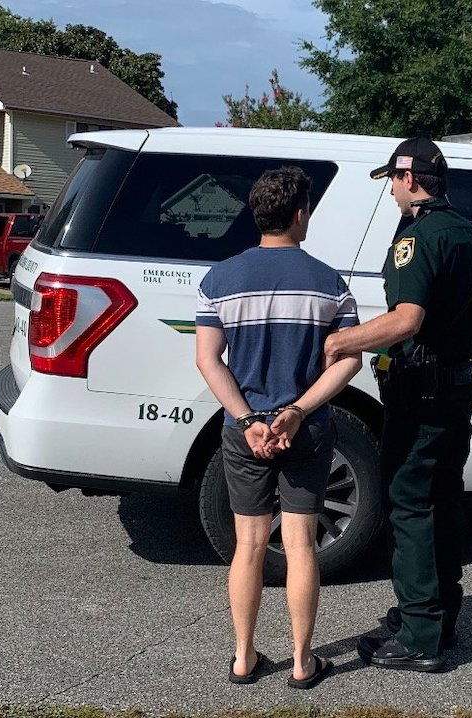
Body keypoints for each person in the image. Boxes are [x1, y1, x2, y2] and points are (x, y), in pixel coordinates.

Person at [324, 137, 472, 672]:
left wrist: (341, 341)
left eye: (394, 182)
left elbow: (406, 319)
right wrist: (448, 330)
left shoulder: (417, 237)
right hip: (457, 389)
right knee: (443, 499)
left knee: (410, 503)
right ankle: (439, 616)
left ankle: (420, 634)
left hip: (420, 392)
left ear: (409, 178)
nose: (392, 193)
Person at [194, 166, 362, 689]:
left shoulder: (218, 280)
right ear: (299, 214)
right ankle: (302, 662)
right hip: (305, 430)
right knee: (301, 544)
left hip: (244, 431)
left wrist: (248, 419)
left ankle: (243, 658)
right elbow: (349, 361)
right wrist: (298, 411)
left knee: (248, 544)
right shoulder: (330, 283)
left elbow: (208, 360)